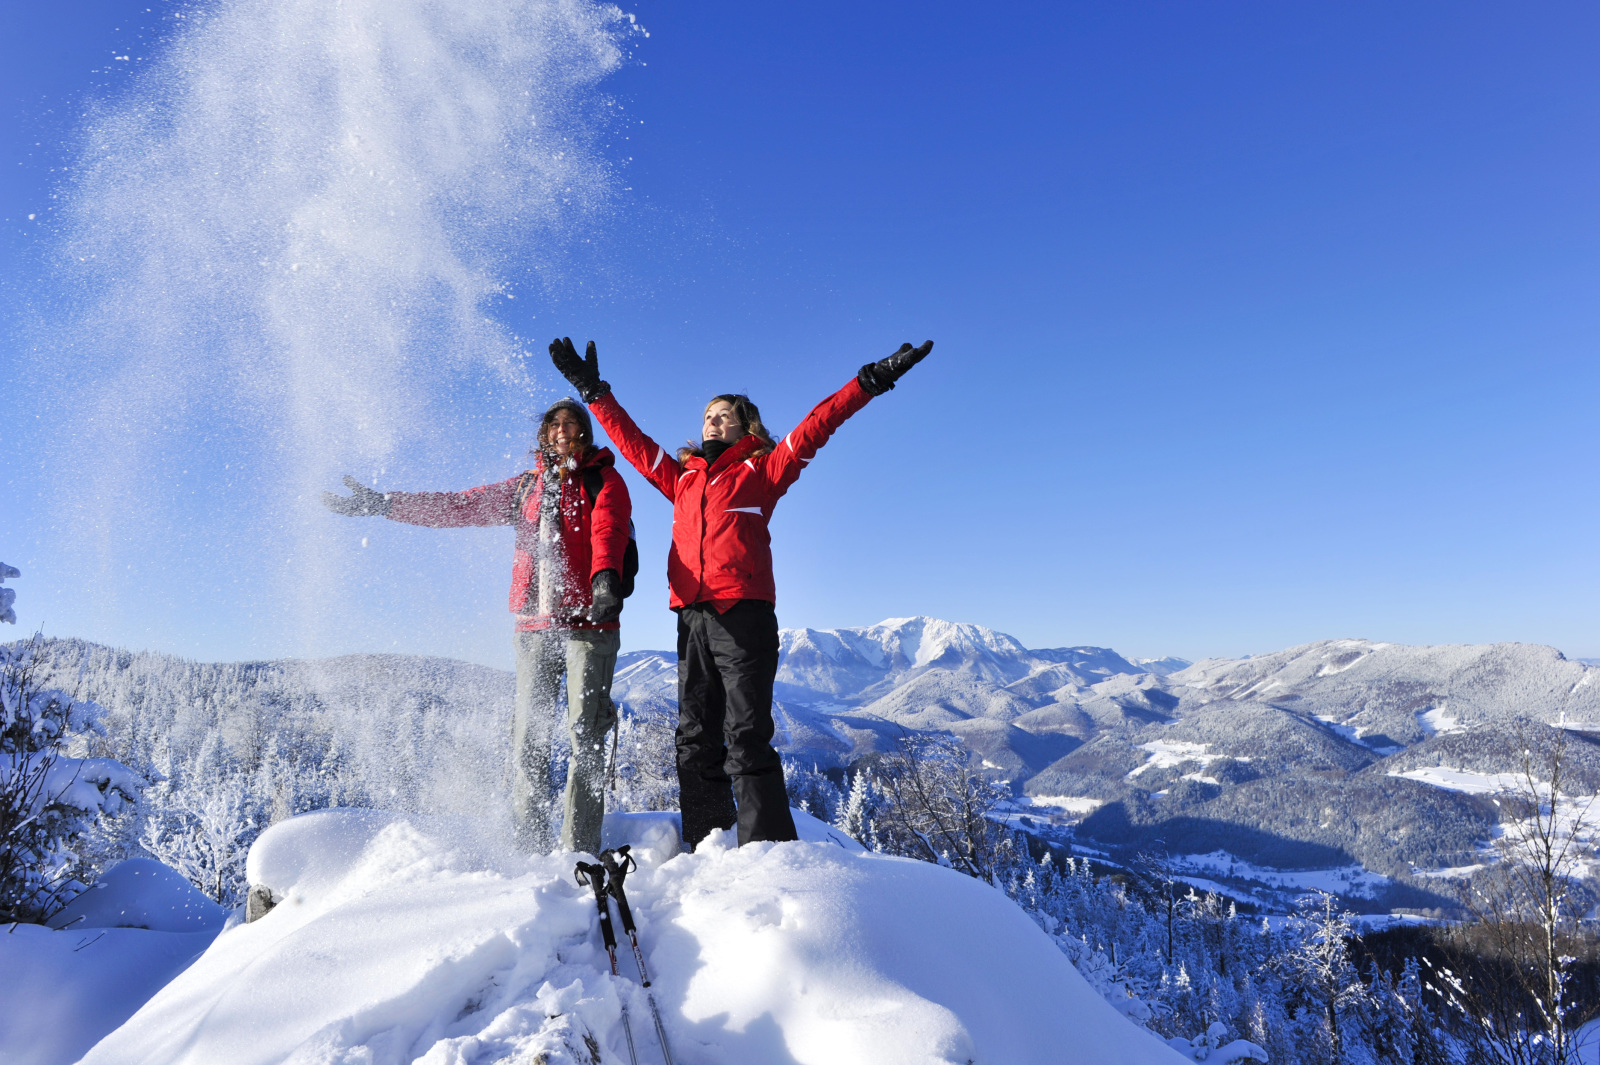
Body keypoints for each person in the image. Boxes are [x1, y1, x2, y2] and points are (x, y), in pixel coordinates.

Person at [549, 336, 933, 850]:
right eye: (708, 414)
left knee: (747, 736)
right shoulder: (681, 477)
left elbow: (818, 424)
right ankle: (706, 844)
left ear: (746, 426)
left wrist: (869, 380)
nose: (712, 421)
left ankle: (766, 852)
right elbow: (633, 442)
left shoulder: (762, 470)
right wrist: (593, 392)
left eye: (723, 414)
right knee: (693, 739)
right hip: (691, 617)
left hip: (744, 616)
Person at [321, 399, 633, 856]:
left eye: (572, 424)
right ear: (544, 434)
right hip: (533, 627)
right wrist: (385, 504)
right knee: (528, 735)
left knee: (585, 735)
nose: (563, 431)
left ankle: (578, 852)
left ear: (585, 433)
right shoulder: (526, 487)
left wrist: (605, 579)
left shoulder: (603, 479)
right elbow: (457, 506)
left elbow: (610, 529)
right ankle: (528, 848)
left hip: (590, 624)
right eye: (554, 424)